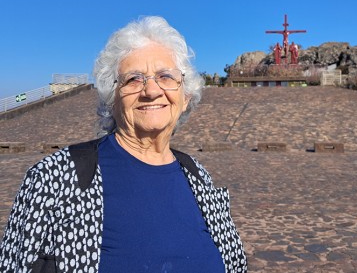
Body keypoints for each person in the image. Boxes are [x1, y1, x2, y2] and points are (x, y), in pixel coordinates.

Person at [0, 16, 247, 273]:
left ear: (185, 97)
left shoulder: (199, 177)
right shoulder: (54, 178)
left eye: (165, 76)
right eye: (134, 79)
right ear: (112, 98)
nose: (151, 91)